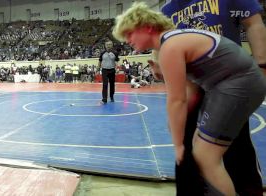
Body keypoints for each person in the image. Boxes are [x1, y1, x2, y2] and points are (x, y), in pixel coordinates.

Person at [112, 2, 266, 195]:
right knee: (199, 143)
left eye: (129, 34)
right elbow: (189, 94)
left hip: (237, 85)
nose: (127, 40)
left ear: (147, 27)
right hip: (234, 84)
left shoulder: (170, 47)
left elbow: (177, 100)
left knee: (205, 157)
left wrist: (177, 145)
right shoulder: (175, 39)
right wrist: (178, 127)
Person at [161, 0, 266, 195]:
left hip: (228, 83)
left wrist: (261, 64)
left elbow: (254, 22)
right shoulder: (168, 10)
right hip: (191, 87)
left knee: (235, 148)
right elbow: (162, 44)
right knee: (185, 149)